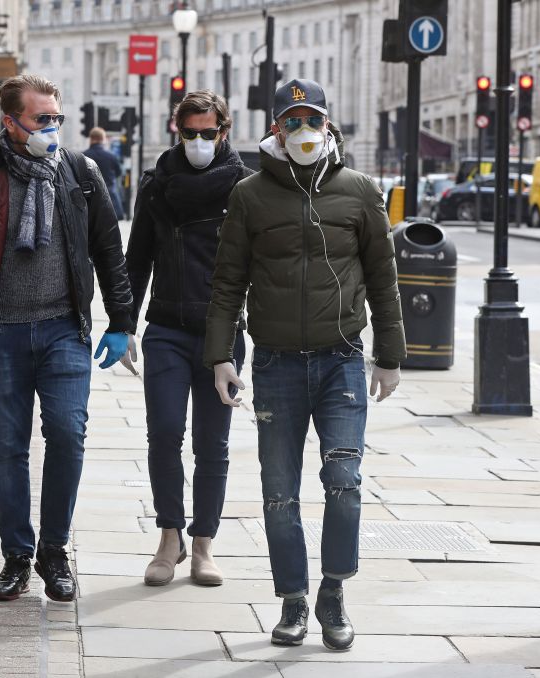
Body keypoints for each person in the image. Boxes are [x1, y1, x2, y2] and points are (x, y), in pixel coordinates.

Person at [203, 79, 405, 651]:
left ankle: (333, 590)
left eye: (309, 119)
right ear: (274, 129)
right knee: (278, 491)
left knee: (344, 482)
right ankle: (293, 598)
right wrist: (221, 356)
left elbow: (384, 279)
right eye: (289, 122)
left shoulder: (361, 191)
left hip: (341, 360)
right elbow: (227, 282)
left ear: (327, 122)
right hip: (276, 365)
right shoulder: (249, 195)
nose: (301, 132)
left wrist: (389, 356)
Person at [0, 74, 134, 604]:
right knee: (8, 448)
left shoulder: (80, 174)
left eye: (56, 119)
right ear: (10, 123)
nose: (51, 128)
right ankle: (17, 556)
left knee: (67, 435)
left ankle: (55, 549)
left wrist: (120, 320)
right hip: (1, 334)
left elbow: (110, 250)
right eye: (41, 119)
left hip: (65, 329)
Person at [124, 90, 252, 588]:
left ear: (225, 130)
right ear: (176, 130)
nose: (198, 141)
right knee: (163, 435)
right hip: (168, 330)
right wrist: (123, 322)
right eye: (189, 133)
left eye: (208, 132)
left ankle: (204, 545)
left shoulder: (245, 186)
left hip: (223, 336)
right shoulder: (158, 185)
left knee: (213, 444)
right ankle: (169, 538)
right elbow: (136, 260)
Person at [84, 127, 125, 219]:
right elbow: (118, 172)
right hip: (109, 200)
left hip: (89, 201)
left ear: (91, 139)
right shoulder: (111, 156)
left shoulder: (83, 156)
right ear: (103, 139)